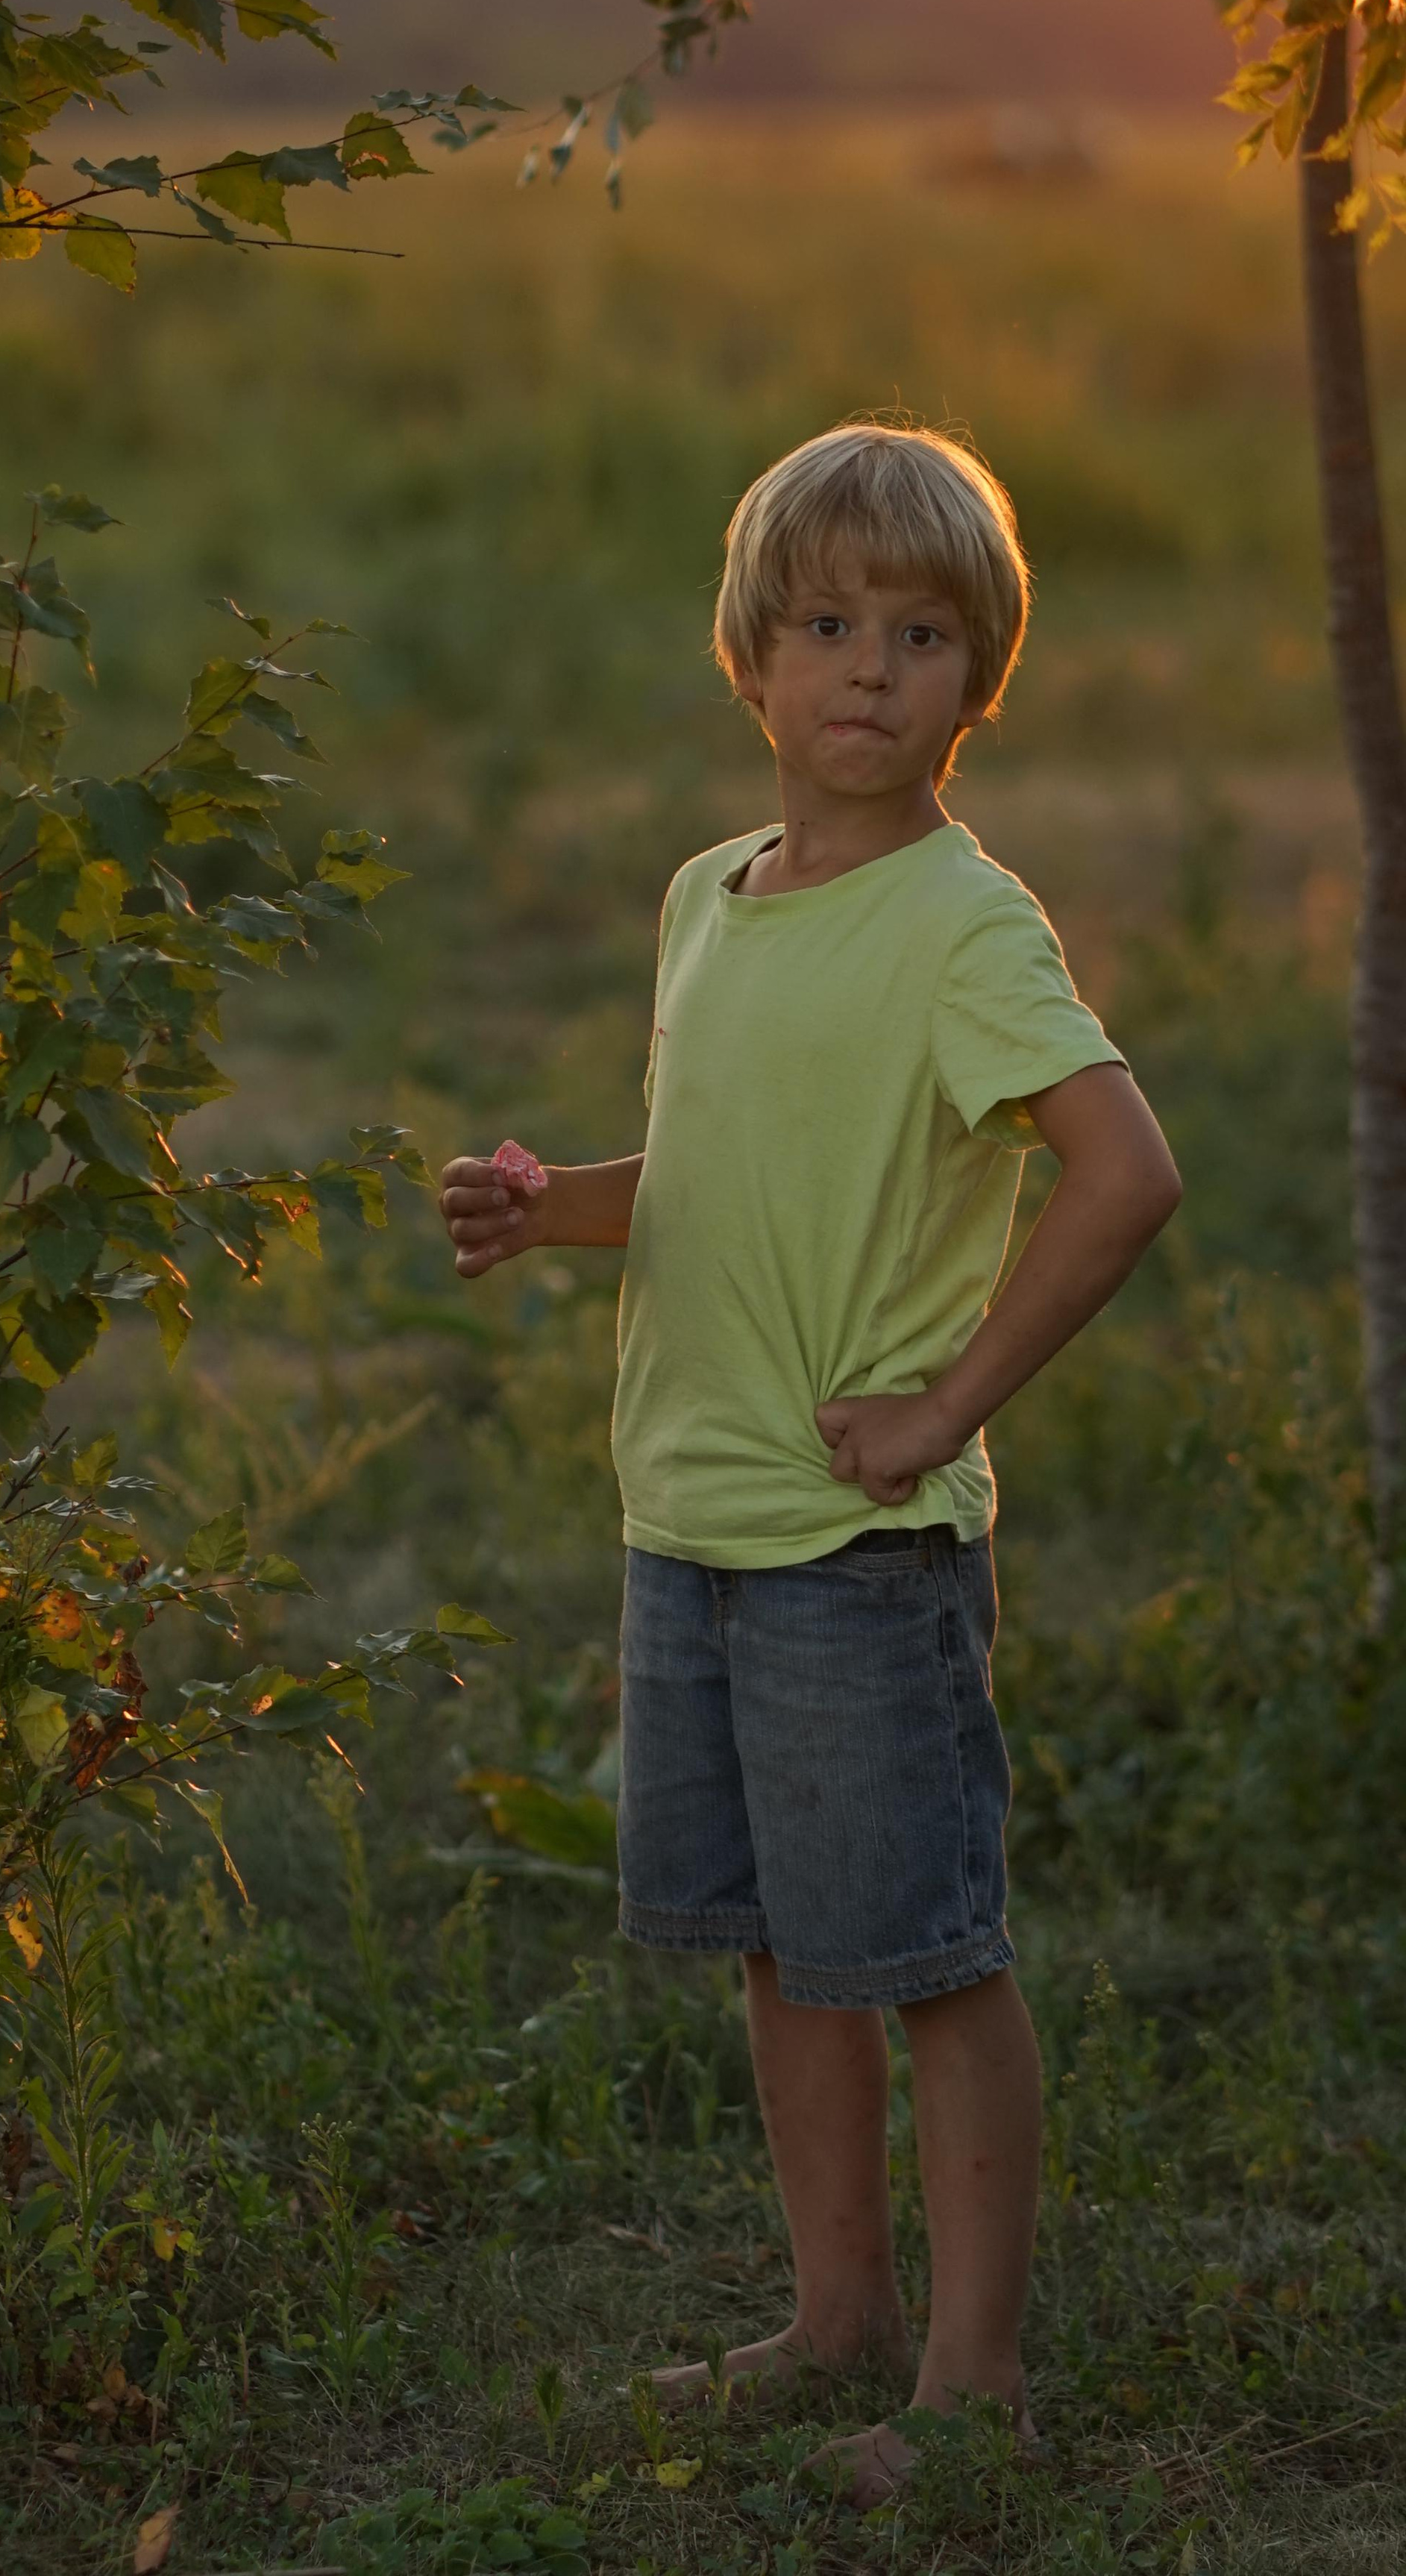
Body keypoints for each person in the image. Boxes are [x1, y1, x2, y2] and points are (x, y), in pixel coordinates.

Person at [437, 422, 1182, 2510]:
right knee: (783, 1944)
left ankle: (972, 2389)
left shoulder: (963, 925)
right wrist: (558, 1209)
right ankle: (834, 2318)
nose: (871, 668)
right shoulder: (713, 894)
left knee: (927, 1957)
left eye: (922, 635)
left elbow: (1126, 1174)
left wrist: (945, 1408)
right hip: (692, 1516)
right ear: (751, 657)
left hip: (861, 1546)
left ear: (980, 679)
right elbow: (725, 1169)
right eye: (830, 625)